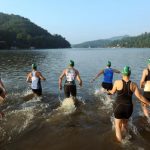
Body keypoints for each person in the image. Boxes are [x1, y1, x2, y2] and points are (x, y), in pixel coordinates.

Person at [107, 66, 150, 142]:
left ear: (122, 74)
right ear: (130, 74)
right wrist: (149, 103)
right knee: (124, 125)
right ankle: (126, 138)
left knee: (117, 126)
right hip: (129, 108)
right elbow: (140, 97)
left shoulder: (117, 82)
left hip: (119, 107)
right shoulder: (134, 84)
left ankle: (120, 144)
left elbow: (112, 92)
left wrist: (108, 91)